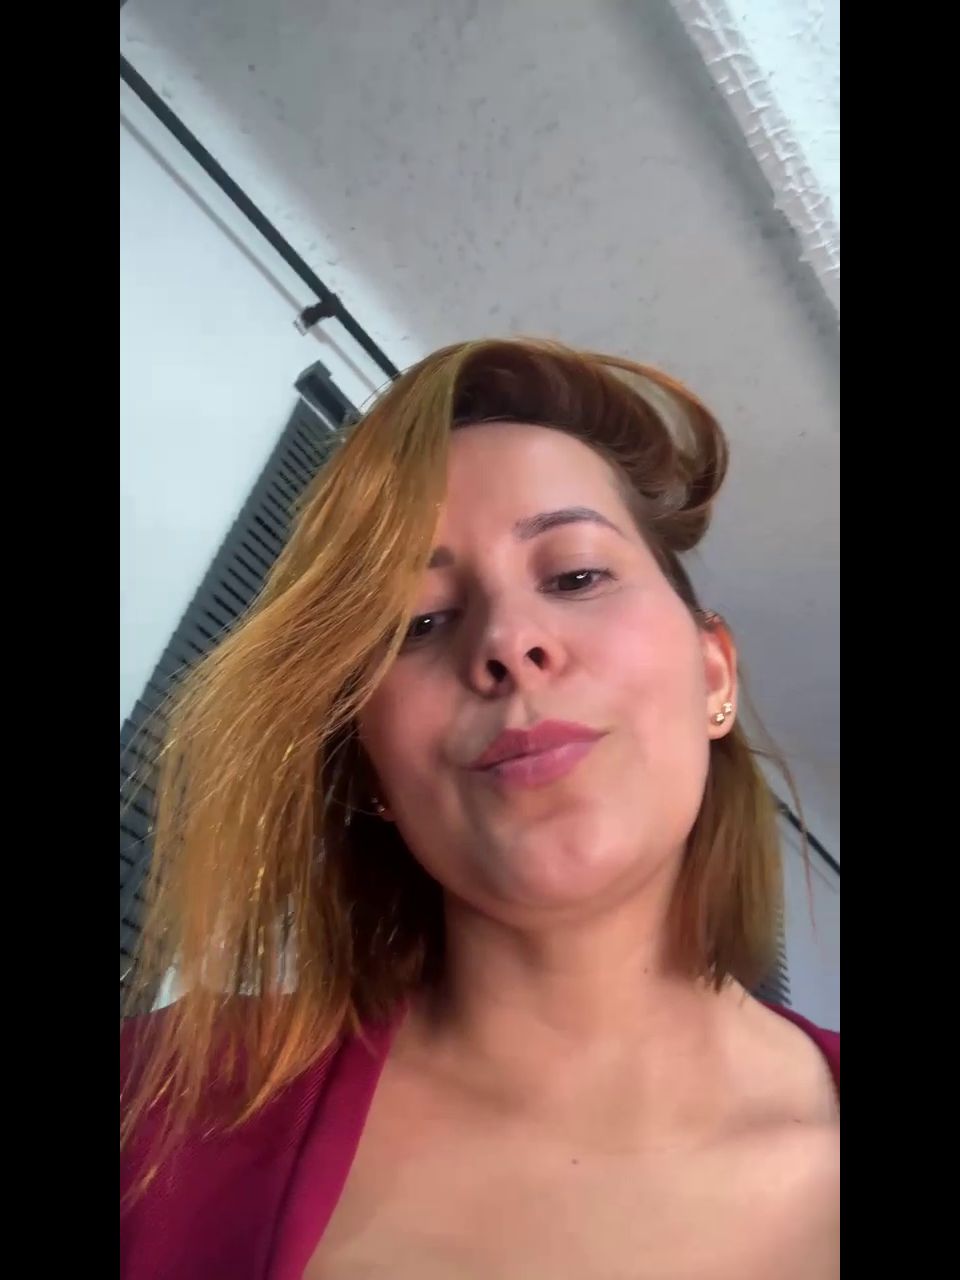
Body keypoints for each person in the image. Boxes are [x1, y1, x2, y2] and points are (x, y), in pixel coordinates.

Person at [121, 338, 839, 1280]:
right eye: (419, 622)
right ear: (367, 768)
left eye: (575, 575)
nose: (507, 640)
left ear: (713, 674)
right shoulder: (152, 1102)